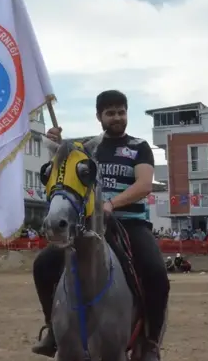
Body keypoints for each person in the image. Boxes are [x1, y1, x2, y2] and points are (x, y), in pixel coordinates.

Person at [31, 90, 169, 361]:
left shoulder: (138, 146)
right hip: (88, 227)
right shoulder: (85, 147)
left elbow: (143, 185)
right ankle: (52, 331)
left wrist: (112, 204)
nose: (117, 117)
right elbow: (64, 169)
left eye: (121, 112)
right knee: (43, 265)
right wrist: (56, 143)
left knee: (156, 274)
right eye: (110, 113)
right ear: (99, 117)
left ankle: (149, 341)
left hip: (130, 223)